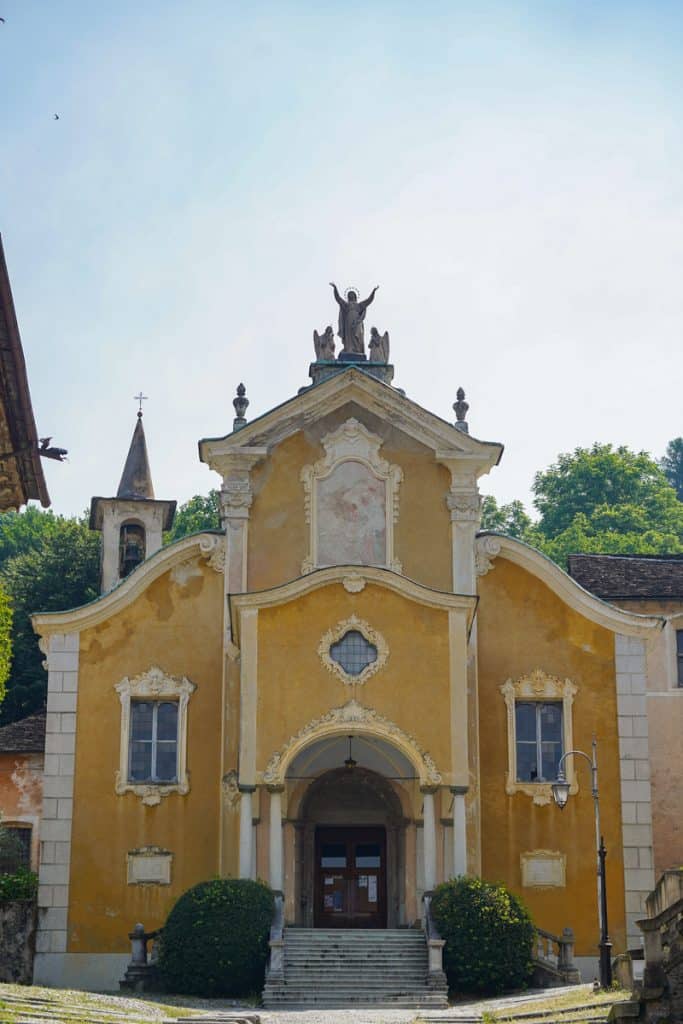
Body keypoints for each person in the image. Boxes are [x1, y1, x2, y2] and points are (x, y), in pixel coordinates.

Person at [329, 283, 379, 355]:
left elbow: (369, 300)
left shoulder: (359, 305)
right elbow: (338, 298)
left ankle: (357, 349)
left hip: (357, 322)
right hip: (348, 321)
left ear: (355, 296)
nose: (351, 296)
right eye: (350, 295)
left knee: (357, 335)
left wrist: (373, 292)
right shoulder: (346, 305)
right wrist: (335, 288)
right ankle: (349, 348)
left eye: (352, 294)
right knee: (349, 336)